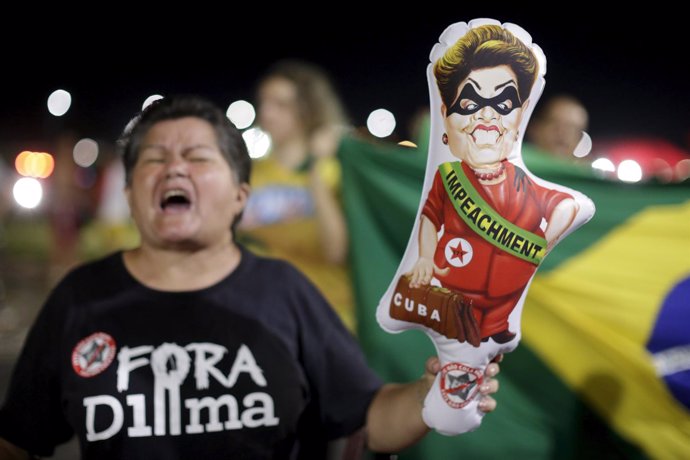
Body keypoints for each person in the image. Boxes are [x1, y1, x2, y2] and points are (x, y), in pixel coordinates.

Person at [0, 96, 500, 459]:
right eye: (153, 159)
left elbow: (371, 419)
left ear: (241, 195)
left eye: (197, 157)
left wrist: (431, 396)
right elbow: (19, 438)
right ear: (130, 196)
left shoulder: (284, 290)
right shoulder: (80, 298)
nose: (175, 168)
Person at [406, 25, 579, 344]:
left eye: (574, 128)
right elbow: (430, 211)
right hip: (454, 311)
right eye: (471, 105)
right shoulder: (458, 171)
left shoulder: (571, 184)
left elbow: (568, 209)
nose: (563, 134)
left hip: (526, 320)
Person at [239, 61, 355, 330]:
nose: (266, 113)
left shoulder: (333, 171)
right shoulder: (250, 174)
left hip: (330, 315)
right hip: (267, 316)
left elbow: (336, 251)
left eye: (281, 104)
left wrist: (316, 170)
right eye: (264, 102)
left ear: (308, 108)